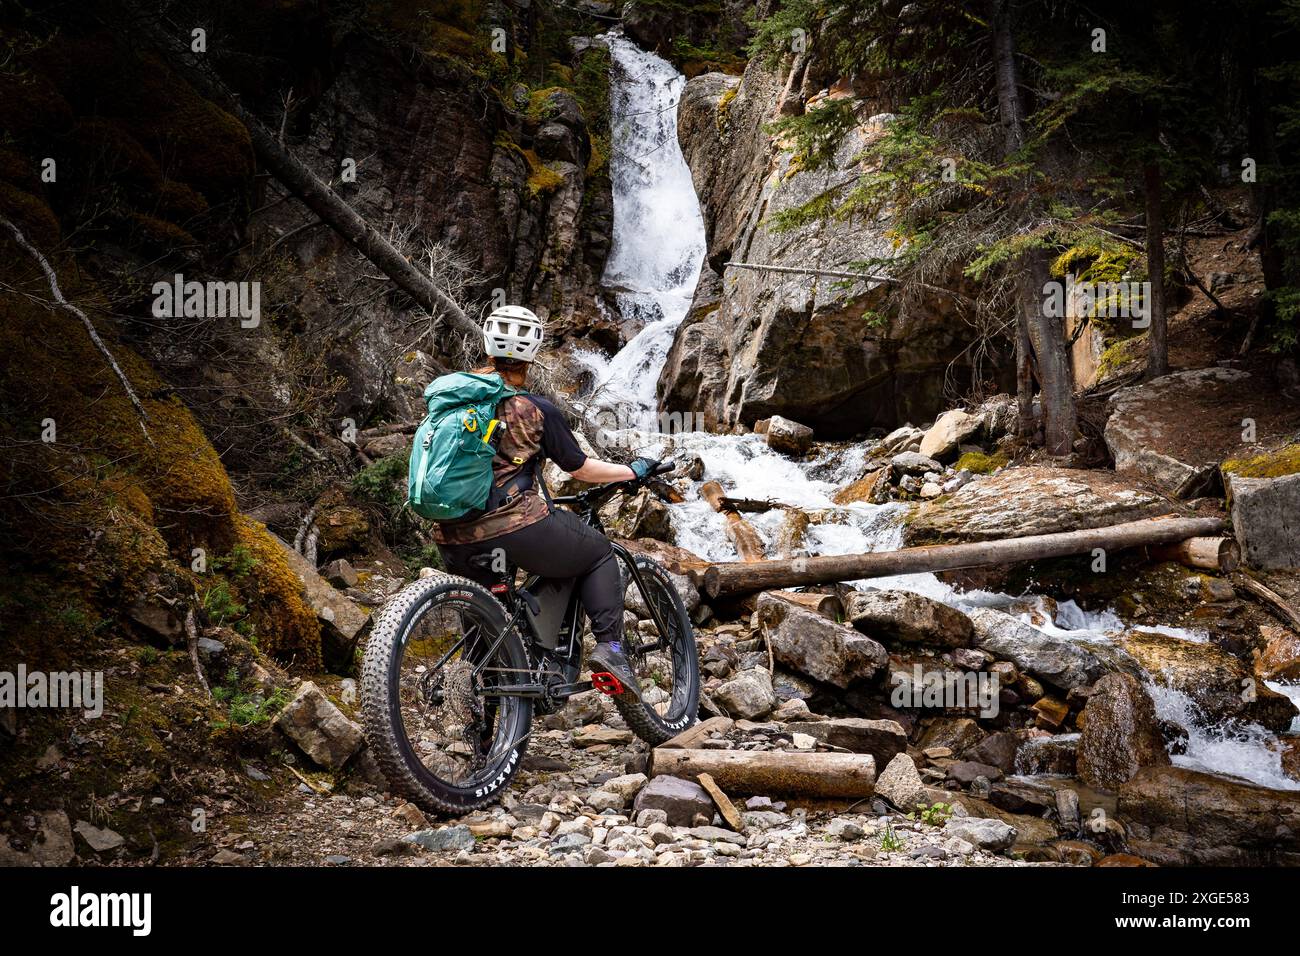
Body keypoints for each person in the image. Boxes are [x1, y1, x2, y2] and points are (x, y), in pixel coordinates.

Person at [432, 304, 659, 700]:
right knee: (598, 552)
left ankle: (487, 739)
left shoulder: (451, 404)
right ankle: (612, 651)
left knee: (485, 622)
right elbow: (580, 468)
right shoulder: (534, 409)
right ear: (533, 353)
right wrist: (633, 471)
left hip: (452, 534)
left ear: (487, 347)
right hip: (515, 525)